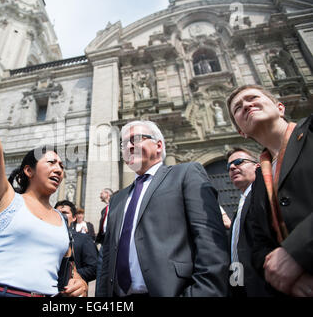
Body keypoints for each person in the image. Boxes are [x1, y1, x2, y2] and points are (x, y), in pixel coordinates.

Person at [0, 36, 87, 297]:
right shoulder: (5, 200)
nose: (59, 169)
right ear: (28, 170)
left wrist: (80, 283)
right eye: (51, 162)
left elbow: (68, 266)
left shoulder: (62, 221)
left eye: (61, 165)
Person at [97, 120, 229, 297]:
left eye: (135, 139)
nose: (128, 146)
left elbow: (209, 241)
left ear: (158, 145)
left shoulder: (185, 174)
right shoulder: (117, 199)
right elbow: (106, 258)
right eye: (123, 144)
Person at [227, 84, 313, 297]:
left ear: (280, 107)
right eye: (238, 107)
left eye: (253, 97)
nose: (247, 105)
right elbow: (258, 245)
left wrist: (295, 253)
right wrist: (286, 278)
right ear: (241, 132)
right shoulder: (257, 185)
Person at [226, 147, 271, 297]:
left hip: (262, 283)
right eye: (229, 166)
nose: (232, 167)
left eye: (239, 162)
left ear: (257, 166)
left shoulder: (264, 194)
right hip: (240, 282)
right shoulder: (241, 202)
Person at [55, 200, 98, 283]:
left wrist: (68, 274)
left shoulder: (84, 239)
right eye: (56, 212)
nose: (60, 215)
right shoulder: (47, 238)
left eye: (65, 213)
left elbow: (93, 268)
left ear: (74, 218)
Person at [94, 188, 112, 296]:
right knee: (100, 271)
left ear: (108, 194)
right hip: (104, 242)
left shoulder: (117, 205)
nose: (100, 194)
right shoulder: (104, 210)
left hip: (113, 240)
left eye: (102, 192)